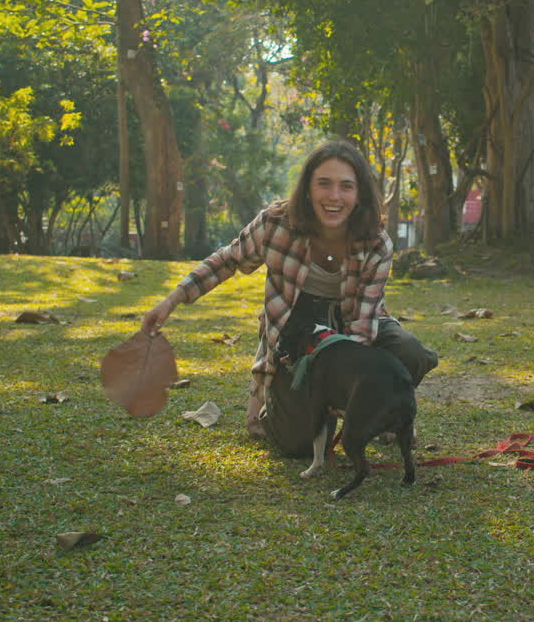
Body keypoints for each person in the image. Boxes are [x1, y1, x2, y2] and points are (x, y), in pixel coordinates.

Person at [140, 140, 437, 456]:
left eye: (346, 186)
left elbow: (362, 331)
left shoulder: (376, 242)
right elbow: (227, 260)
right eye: (324, 183)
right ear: (308, 188)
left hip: (356, 325)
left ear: (359, 194)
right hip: (298, 327)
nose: (334, 196)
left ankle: (381, 416)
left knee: (411, 353)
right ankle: (270, 391)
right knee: (297, 446)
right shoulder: (276, 223)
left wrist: (352, 397)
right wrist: (171, 300)